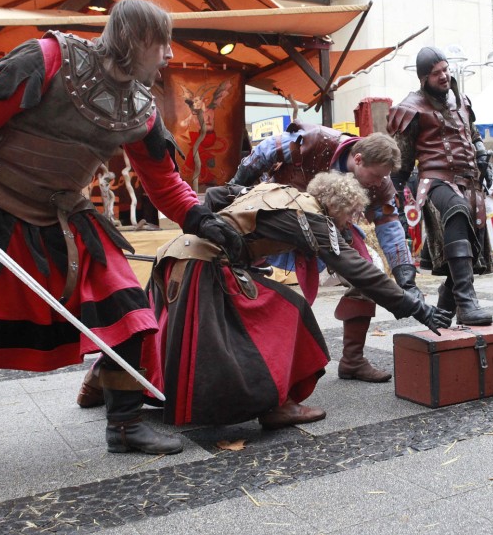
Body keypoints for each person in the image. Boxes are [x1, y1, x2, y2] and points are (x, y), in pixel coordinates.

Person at [0, 0, 247, 503]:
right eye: (163, 44)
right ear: (136, 39)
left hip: (69, 221)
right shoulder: (48, 58)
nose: (170, 55)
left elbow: (163, 181)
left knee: (130, 314)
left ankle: (126, 424)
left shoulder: (141, 105)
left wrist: (201, 219)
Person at [100, 173, 451, 429]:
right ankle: (276, 405)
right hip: (205, 266)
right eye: (351, 215)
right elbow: (358, 270)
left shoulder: (273, 191)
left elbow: (218, 195)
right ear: (338, 206)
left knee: (156, 333)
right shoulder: (313, 219)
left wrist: (233, 243)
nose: (350, 223)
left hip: (175, 258)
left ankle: (97, 383)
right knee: (290, 311)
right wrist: (416, 307)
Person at [228, 125, 416, 383]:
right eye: (375, 176)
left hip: (333, 231)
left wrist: (406, 279)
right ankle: (247, 365)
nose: (378, 182)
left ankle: (352, 360)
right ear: (358, 159)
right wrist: (236, 189)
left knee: (368, 274)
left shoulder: (380, 183)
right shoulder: (316, 141)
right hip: (277, 219)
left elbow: (390, 225)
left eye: (382, 178)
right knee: (241, 278)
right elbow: (264, 151)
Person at [387, 46, 493, 326]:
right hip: (436, 180)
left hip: (470, 181)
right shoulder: (411, 107)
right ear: (424, 78)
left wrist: (482, 154)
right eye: (437, 73)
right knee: (457, 212)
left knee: (471, 247)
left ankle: (445, 307)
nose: (444, 76)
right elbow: (402, 159)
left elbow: (473, 134)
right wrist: (394, 194)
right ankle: (467, 304)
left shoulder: (462, 101)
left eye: (446, 69)